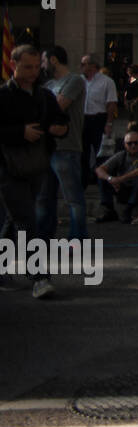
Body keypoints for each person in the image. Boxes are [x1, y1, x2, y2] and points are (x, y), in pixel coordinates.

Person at [0, 44, 69, 299]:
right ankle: (39, 277)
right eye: (26, 67)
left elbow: (62, 121)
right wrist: (20, 132)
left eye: (35, 67)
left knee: (13, 219)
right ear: (13, 65)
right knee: (27, 221)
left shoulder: (44, 95)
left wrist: (60, 128)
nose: (31, 72)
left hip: (38, 165)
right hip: (9, 168)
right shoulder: (4, 96)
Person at [35, 46, 88, 240]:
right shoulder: (48, 85)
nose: (41, 66)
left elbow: (59, 105)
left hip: (67, 146)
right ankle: (43, 238)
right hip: (46, 147)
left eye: (43, 61)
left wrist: (40, 109)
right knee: (43, 198)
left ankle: (78, 239)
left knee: (73, 198)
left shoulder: (74, 80)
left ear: (54, 60)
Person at [94, 130, 138, 223]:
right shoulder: (121, 155)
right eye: (130, 143)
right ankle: (109, 209)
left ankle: (129, 209)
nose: (133, 145)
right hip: (122, 188)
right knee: (102, 178)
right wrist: (110, 179)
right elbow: (99, 169)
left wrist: (120, 179)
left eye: (136, 143)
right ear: (125, 144)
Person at [79, 53, 118, 187]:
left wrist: (109, 122)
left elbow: (111, 104)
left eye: (84, 64)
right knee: (82, 153)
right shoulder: (79, 81)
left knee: (101, 154)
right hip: (83, 119)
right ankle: (83, 182)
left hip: (99, 119)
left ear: (93, 66)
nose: (81, 67)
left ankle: (102, 185)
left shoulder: (107, 82)